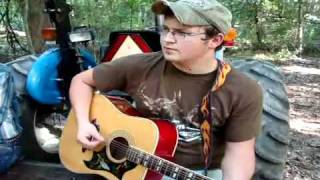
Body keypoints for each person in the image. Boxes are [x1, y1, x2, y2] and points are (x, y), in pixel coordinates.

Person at [69, 0, 263, 179]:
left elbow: (240, 155)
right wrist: (84, 123)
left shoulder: (242, 90)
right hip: (135, 167)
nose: (167, 39)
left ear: (214, 40)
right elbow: (81, 81)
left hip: (198, 172)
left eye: (182, 33)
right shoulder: (140, 66)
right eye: (166, 29)